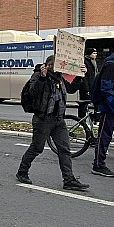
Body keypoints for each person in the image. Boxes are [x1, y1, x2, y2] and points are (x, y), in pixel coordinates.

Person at [16, 55, 89, 191]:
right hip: (43, 119)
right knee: (37, 148)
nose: (61, 67)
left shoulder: (59, 77)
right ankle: (22, 171)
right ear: (49, 65)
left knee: (65, 149)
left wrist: (80, 75)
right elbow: (33, 92)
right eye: (58, 65)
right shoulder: (39, 76)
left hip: (58, 120)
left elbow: (71, 88)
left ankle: (69, 180)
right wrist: (43, 78)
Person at [92, 48, 114, 177]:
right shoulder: (111, 65)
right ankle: (98, 164)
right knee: (104, 135)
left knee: (106, 135)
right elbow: (106, 88)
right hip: (109, 108)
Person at [78, 47, 98, 120]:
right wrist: (87, 89)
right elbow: (84, 77)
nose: (96, 55)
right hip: (86, 87)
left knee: (95, 103)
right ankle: (81, 120)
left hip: (92, 86)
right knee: (83, 104)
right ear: (89, 54)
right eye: (94, 53)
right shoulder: (85, 62)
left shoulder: (93, 62)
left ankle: (94, 118)